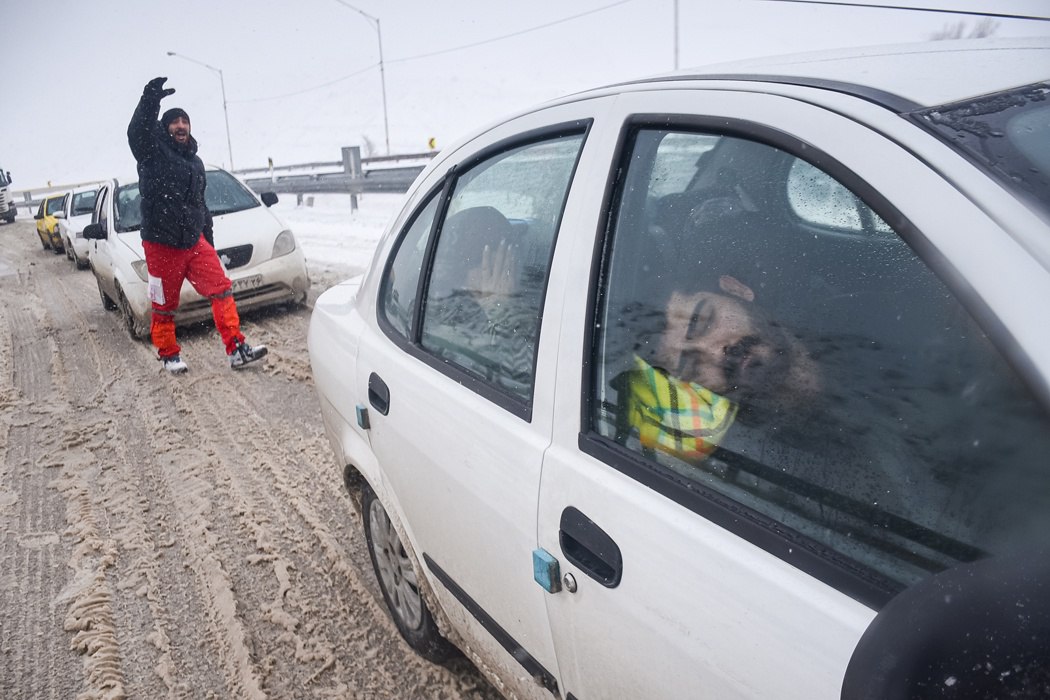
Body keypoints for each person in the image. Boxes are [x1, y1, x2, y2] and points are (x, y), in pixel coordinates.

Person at [127, 76, 267, 374]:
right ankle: (168, 354)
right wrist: (150, 100)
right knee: (164, 305)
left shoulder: (196, 162)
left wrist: (209, 243)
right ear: (165, 128)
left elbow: (200, 206)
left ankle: (236, 349)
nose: (180, 126)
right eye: (174, 121)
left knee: (222, 288)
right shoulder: (151, 152)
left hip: (193, 240)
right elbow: (137, 132)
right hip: (161, 243)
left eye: (184, 121)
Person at [620, 272, 821, 464]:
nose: (716, 354)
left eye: (703, 323)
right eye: (692, 365)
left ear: (736, 290)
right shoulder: (748, 448)